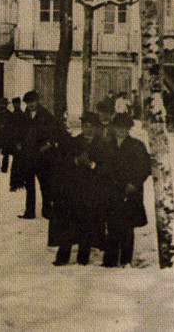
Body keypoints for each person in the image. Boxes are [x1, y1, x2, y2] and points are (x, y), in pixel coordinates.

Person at [52, 113, 109, 266]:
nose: (87, 130)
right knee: (69, 223)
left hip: (91, 191)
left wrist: (91, 164)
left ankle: (83, 257)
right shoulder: (74, 142)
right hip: (74, 190)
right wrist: (76, 160)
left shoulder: (102, 145)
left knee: (87, 224)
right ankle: (63, 256)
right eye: (85, 126)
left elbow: (106, 168)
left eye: (91, 127)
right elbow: (63, 162)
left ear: (96, 128)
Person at [97, 113, 151, 267]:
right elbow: (101, 166)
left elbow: (145, 168)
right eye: (118, 127)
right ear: (113, 128)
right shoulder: (106, 145)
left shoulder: (137, 146)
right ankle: (110, 260)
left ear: (129, 128)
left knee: (127, 227)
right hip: (111, 191)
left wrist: (135, 183)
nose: (120, 130)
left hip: (129, 191)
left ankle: (126, 261)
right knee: (112, 226)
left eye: (124, 127)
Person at [11, 90, 65, 220]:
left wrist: (48, 144)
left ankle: (47, 210)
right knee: (29, 185)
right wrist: (18, 143)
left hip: (42, 156)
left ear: (38, 101)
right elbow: (18, 133)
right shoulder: (24, 117)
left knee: (45, 184)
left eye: (33, 102)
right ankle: (29, 212)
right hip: (28, 156)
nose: (31, 105)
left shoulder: (46, 115)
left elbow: (56, 132)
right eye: (28, 102)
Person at [0, 97, 19, 174]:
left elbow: (12, 126)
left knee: (5, 153)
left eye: (4, 104)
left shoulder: (10, 115)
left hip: (5, 136)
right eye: (2, 104)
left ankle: (4, 169)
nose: (3, 105)